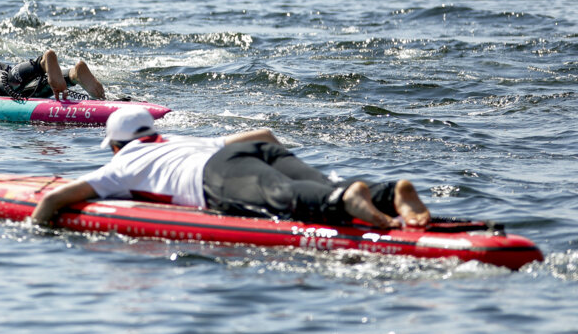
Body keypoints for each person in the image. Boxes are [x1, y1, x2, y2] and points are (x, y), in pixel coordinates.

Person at [31, 106, 432, 230]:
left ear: (116, 145)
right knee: (318, 181)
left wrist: (37, 231)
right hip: (250, 150)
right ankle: (388, 192)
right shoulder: (177, 140)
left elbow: (56, 198)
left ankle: (344, 199)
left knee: (284, 198)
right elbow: (265, 134)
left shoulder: (122, 166)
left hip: (216, 175)